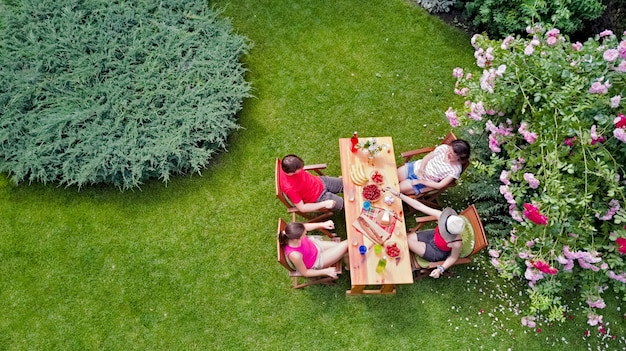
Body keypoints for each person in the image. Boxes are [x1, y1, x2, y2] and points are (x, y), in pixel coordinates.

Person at [386, 187, 465, 279]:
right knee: (404, 238)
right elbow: (419, 206)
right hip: (431, 236)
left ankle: (400, 267)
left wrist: (440, 269)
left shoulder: (456, 243)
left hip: (437, 251)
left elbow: (453, 258)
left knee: (405, 240)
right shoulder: (442, 217)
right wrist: (399, 195)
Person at [396, 140, 470, 195]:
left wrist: (421, 181)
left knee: (398, 188)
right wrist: (421, 169)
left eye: (451, 154)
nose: (448, 153)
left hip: (424, 182)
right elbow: (427, 157)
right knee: (393, 175)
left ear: (460, 158)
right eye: (449, 150)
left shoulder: (455, 170)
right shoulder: (444, 148)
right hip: (416, 167)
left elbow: (439, 185)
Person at [279, 220, 349, 278]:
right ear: (295, 240)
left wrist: (323, 224)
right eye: (304, 234)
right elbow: (305, 272)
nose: (306, 233)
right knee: (347, 245)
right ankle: (350, 267)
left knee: (346, 249)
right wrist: (325, 271)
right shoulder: (295, 255)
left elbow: (305, 227)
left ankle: (348, 267)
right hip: (317, 260)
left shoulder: (292, 232)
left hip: (316, 245)